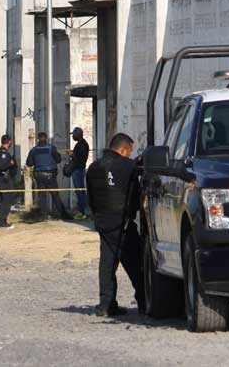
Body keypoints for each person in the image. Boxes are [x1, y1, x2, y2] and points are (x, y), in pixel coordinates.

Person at [85, 133, 145, 317]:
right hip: (123, 224)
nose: (129, 155)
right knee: (137, 264)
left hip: (103, 223)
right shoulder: (128, 165)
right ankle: (145, 301)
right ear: (123, 150)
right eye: (129, 152)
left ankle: (106, 304)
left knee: (107, 265)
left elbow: (91, 199)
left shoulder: (93, 168)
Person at [26, 132, 69, 220]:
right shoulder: (51, 148)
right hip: (50, 175)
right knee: (55, 195)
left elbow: (29, 163)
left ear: (38, 139)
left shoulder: (34, 150)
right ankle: (63, 214)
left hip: (39, 176)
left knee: (42, 196)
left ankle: (43, 215)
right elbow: (58, 160)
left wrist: (36, 160)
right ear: (46, 139)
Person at [0, 135, 19, 228]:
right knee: (7, 200)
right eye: (10, 142)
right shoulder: (3, 153)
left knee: (3, 200)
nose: (11, 143)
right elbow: (2, 166)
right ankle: (2, 221)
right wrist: (10, 163)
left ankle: (2, 220)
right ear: (8, 142)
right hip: (4, 180)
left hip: (2, 179)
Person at [69, 127, 90, 219]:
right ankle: (82, 211)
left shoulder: (82, 145)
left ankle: (83, 212)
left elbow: (80, 159)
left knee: (80, 191)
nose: (73, 136)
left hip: (78, 170)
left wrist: (72, 155)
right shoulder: (80, 144)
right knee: (79, 191)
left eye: (74, 134)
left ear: (78, 134)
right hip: (78, 170)